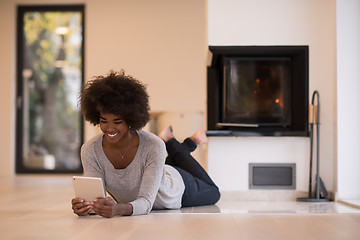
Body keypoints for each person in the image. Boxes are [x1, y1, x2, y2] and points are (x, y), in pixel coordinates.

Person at [71, 70, 220, 218]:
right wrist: (86, 207)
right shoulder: (90, 150)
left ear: (130, 119)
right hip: (156, 170)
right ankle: (180, 142)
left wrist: (119, 209)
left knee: (214, 193)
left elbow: (147, 202)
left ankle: (179, 142)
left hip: (175, 188)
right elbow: (96, 201)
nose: (109, 128)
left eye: (117, 122)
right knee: (158, 157)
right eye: (104, 121)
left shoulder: (153, 145)